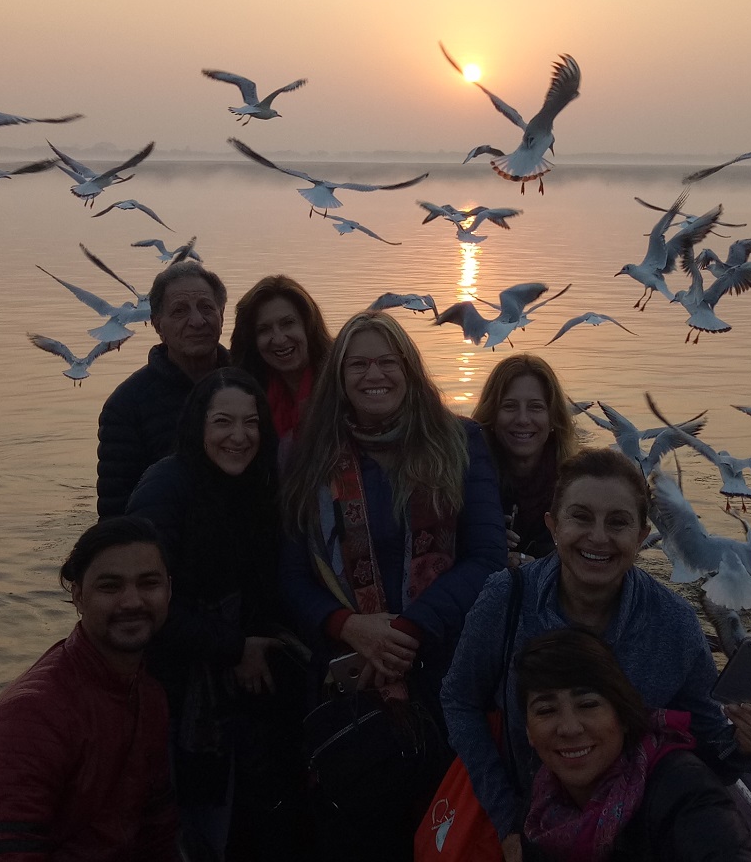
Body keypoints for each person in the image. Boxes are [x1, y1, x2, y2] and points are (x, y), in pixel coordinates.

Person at [441, 447, 751, 862]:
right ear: (553, 525)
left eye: (617, 522)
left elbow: (710, 752)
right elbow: (460, 701)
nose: (598, 537)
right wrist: (507, 819)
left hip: (635, 838)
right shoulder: (508, 599)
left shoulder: (672, 624)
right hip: (528, 826)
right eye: (581, 517)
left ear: (642, 535)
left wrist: (747, 745)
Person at [278, 311, 506, 859]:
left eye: (386, 361)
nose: (372, 374)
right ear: (339, 377)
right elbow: (288, 576)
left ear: (409, 369)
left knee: (441, 831)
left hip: (445, 675)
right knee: (357, 831)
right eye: (357, 364)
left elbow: (487, 559)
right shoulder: (305, 453)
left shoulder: (460, 441)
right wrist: (349, 626)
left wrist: (407, 631)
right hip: (348, 680)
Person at [127, 369, 309, 860]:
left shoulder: (259, 488)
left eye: (252, 423)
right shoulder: (167, 486)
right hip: (177, 687)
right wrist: (234, 647)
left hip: (242, 686)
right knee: (187, 819)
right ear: (197, 426)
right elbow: (144, 601)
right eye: (223, 422)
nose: (239, 436)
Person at [0, 516, 178, 862]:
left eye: (148, 583)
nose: (132, 601)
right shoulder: (31, 717)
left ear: (169, 591)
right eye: (110, 587)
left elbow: (158, 833)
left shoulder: (149, 696)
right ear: (78, 596)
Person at [514, 629, 751, 862]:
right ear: (528, 732)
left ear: (623, 716)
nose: (569, 728)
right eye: (546, 710)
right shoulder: (542, 801)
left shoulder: (681, 791)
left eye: (588, 705)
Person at [96, 260, 229, 516]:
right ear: (157, 325)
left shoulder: (251, 381)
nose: (197, 321)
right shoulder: (126, 406)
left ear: (222, 315)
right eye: (180, 311)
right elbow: (116, 513)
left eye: (206, 307)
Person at [471, 354, 579, 562]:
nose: (522, 419)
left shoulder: (576, 487)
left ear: (553, 418)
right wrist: (483, 541)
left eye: (536, 407)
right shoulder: (466, 484)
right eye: (509, 406)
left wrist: (540, 567)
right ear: (492, 415)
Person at [228, 275, 333, 448]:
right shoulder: (250, 397)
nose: (278, 339)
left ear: (308, 325)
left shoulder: (340, 385)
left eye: (288, 323)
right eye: (264, 329)